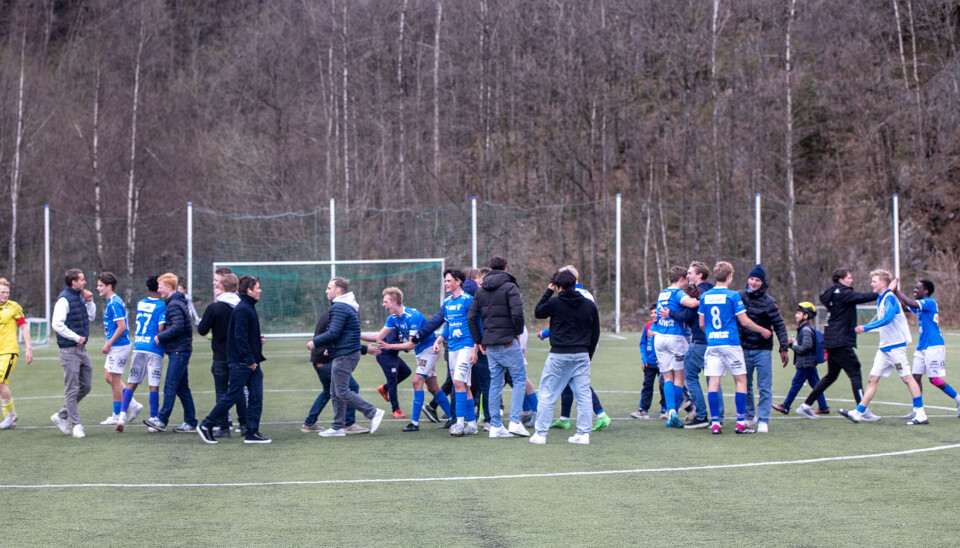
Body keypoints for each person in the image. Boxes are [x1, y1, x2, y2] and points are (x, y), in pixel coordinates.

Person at [839, 270, 929, 425]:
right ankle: (858, 412)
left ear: (883, 283)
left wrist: (865, 327)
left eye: (874, 281)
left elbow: (888, 318)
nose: (871, 284)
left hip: (896, 348)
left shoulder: (890, 298)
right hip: (884, 348)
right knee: (872, 379)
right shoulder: (882, 298)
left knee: (907, 378)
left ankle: (920, 414)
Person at [699, 261, 772, 435]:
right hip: (731, 344)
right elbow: (745, 321)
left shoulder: (705, 296)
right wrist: (763, 330)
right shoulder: (732, 296)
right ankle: (741, 422)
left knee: (713, 384)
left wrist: (711, 334)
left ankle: (715, 423)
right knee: (741, 381)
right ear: (730, 276)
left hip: (713, 344)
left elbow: (702, 323)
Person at [796, 268, 878, 420]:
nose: (851, 280)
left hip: (831, 339)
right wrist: (882, 291)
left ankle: (806, 406)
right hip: (840, 340)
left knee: (831, 375)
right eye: (849, 277)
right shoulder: (842, 293)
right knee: (855, 371)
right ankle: (862, 409)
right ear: (841, 279)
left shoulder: (833, 293)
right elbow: (862, 296)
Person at [530, 268, 600, 444]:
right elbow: (595, 332)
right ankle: (584, 434)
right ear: (575, 284)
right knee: (583, 395)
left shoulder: (555, 303)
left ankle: (540, 434)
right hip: (581, 354)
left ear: (558, 286)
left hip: (559, 354)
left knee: (547, 394)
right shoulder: (589, 305)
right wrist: (588, 354)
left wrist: (548, 291)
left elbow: (538, 312)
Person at [366, 287, 451, 432]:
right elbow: (377, 337)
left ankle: (414, 423)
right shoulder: (392, 318)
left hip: (430, 350)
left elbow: (411, 344)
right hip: (421, 352)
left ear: (394, 302)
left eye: (386, 302)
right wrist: (355, 336)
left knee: (416, 381)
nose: (383, 305)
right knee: (433, 387)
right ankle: (452, 417)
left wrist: (389, 346)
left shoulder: (412, 316)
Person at [198, 275, 271, 444]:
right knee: (231, 396)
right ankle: (206, 425)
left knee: (256, 397)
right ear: (249, 290)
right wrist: (249, 359)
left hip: (251, 362)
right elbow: (239, 337)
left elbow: (245, 334)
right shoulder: (242, 309)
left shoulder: (248, 307)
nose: (260, 290)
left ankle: (252, 432)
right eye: (258, 287)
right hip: (242, 362)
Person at [311, 277, 386, 437]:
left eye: (329, 288)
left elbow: (333, 333)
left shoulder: (340, 307)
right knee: (335, 391)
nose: (326, 291)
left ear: (338, 290)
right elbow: (346, 334)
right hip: (343, 353)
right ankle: (338, 427)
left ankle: (373, 412)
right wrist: (330, 350)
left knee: (343, 391)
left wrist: (315, 342)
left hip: (345, 355)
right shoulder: (345, 306)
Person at [468, 256, 529, 438]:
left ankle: (495, 426)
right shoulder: (510, 286)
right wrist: (517, 333)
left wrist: (480, 340)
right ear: (506, 268)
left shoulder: (481, 291)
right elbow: (518, 313)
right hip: (507, 341)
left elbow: (471, 318)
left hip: (490, 344)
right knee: (519, 379)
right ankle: (515, 423)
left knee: (495, 382)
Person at [300, 302, 375, 435]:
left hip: (320, 359)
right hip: (326, 359)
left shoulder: (336, 312)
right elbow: (338, 336)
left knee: (329, 391)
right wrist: (365, 349)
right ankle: (349, 423)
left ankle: (309, 423)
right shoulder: (340, 312)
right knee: (349, 387)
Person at [891, 278, 960, 418]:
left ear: (926, 291)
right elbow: (906, 306)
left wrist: (896, 290)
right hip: (922, 347)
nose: (915, 290)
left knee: (934, 379)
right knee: (915, 378)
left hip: (934, 346)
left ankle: (959, 399)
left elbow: (910, 303)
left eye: (918, 288)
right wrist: (892, 295)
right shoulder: (921, 306)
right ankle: (917, 410)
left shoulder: (929, 302)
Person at [736, 264, 790, 433]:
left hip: (763, 350)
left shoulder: (769, 302)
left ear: (763, 283)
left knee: (764, 386)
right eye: (751, 279)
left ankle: (763, 419)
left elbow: (779, 326)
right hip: (743, 348)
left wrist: (783, 348)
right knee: (745, 384)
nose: (753, 282)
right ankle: (749, 415)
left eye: (757, 280)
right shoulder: (738, 296)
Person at [667, 261, 719, 428]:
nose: (687, 275)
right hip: (714, 340)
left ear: (700, 275)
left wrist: (670, 313)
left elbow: (688, 315)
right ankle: (718, 417)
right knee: (713, 379)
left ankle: (702, 415)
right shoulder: (712, 289)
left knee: (690, 376)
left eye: (690, 273)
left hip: (699, 341)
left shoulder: (699, 293)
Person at [143, 273, 197, 433]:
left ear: (169, 287)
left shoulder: (174, 305)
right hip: (179, 349)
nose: (158, 289)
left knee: (170, 385)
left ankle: (162, 420)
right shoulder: (176, 302)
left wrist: (160, 336)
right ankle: (191, 422)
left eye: (160, 286)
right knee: (182, 388)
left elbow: (178, 327)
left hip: (179, 351)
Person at [197, 272, 246, 438]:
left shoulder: (214, 308)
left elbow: (202, 330)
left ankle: (224, 427)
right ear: (237, 288)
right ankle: (245, 425)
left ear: (222, 287)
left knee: (221, 392)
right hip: (238, 356)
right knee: (238, 391)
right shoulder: (242, 306)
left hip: (219, 356)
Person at [50, 269, 96, 439]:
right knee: (72, 388)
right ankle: (76, 425)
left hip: (82, 350)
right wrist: (76, 337)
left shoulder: (80, 296)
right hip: (69, 350)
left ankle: (61, 415)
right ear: (73, 282)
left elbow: (91, 317)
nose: (84, 282)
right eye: (82, 280)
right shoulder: (63, 299)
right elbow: (57, 324)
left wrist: (90, 302)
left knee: (86, 386)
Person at [114, 276, 163, 432]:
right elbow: (161, 328)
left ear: (148, 288)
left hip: (139, 345)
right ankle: (154, 419)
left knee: (132, 383)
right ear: (160, 288)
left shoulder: (141, 303)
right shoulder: (162, 305)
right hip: (153, 348)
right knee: (153, 385)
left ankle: (122, 416)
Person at [656, 265, 701, 428]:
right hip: (675, 337)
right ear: (681, 279)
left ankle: (671, 414)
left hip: (659, 337)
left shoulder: (663, 293)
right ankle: (673, 412)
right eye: (686, 279)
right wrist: (704, 297)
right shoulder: (678, 293)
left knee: (667, 377)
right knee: (679, 378)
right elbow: (691, 303)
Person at [772, 303, 830, 416]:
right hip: (809, 362)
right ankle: (823, 407)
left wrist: (791, 345)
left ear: (806, 316)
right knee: (816, 384)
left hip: (805, 363)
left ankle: (786, 406)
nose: (796, 315)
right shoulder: (804, 329)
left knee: (796, 383)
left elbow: (805, 348)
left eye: (799, 313)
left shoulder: (806, 330)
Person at [361, 295, 413, 419]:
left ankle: (384, 388)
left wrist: (406, 346)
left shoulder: (404, 322)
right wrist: (404, 346)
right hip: (385, 355)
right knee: (393, 381)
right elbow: (389, 342)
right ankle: (396, 410)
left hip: (393, 355)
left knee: (406, 371)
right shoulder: (393, 324)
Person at [95, 272, 135, 426]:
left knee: (115, 381)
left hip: (119, 346)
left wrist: (108, 343)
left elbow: (122, 327)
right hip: (116, 347)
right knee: (109, 377)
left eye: (100, 285)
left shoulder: (114, 303)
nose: (97, 288)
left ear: (109, 286)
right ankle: (133, 403)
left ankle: (116, 415)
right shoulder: (112, 301)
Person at [0, 278, 32, 430]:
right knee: (2, 385)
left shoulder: (14, 307)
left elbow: (24, 327)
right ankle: (9, 419)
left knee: (0, 382)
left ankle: (11, 414)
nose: (4, 295)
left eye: (6, 292)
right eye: (2, 292)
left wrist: (29, 348)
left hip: (9, 351)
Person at [631, 304, 665, 419]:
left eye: (655, 312)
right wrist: (644, 359)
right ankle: (643, 410)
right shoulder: (648, 325)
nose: (653, 315)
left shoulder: (665, 326)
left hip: (662, 363)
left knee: (664, 385)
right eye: (651, 313)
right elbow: (643, 343)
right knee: (647, 386)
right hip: (649, 362)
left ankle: (664, 410)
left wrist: (656, 334)